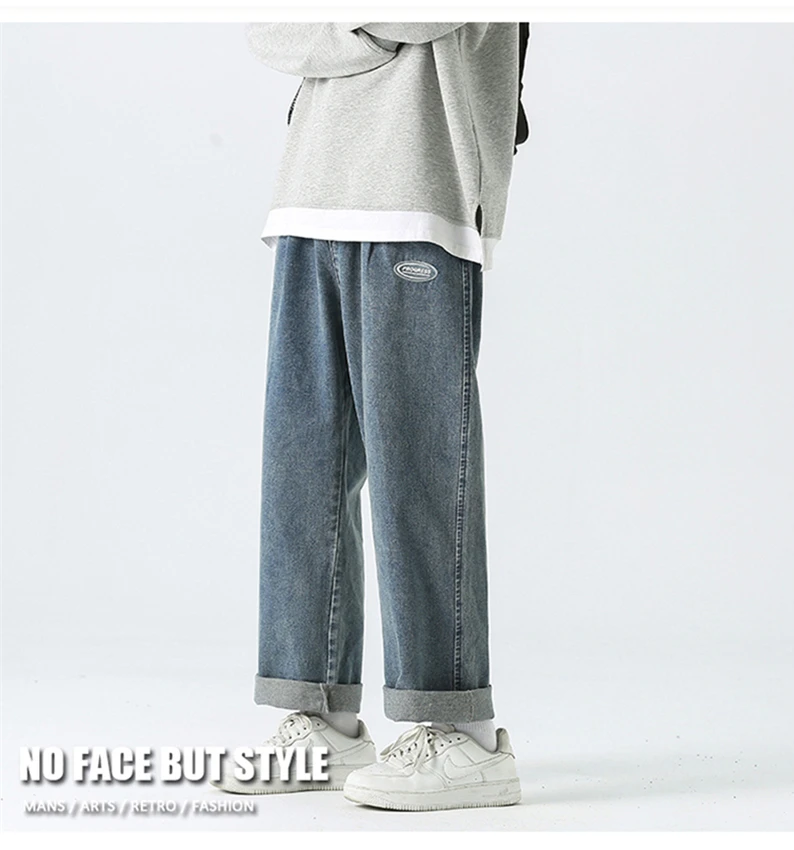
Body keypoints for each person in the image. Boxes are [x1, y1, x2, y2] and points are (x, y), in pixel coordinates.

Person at [212, 21, 530, 812]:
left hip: (421, 197)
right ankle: (319, 718)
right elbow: (268, 29)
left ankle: (462, 733)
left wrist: (339, 28)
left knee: (421, 473)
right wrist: (362, 31)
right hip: (307, 199)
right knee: (301, 475)